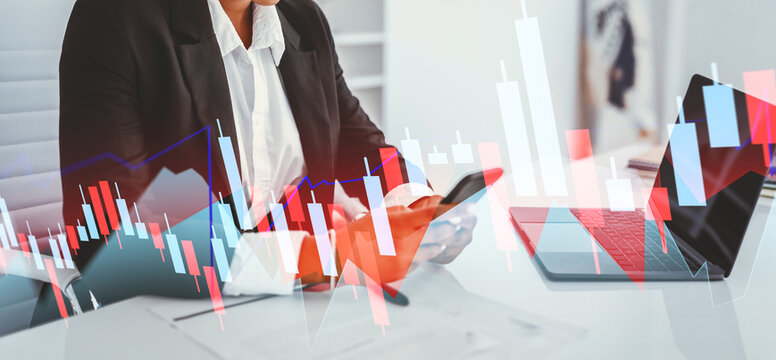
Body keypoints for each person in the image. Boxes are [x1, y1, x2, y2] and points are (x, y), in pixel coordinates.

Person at [51, 0, 476, 317]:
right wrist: (326, 256)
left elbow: (360, 143)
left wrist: (422, 208)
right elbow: (109, 237)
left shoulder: (303, 20)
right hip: (169, 319)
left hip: (294, 314)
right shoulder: (113, 18)